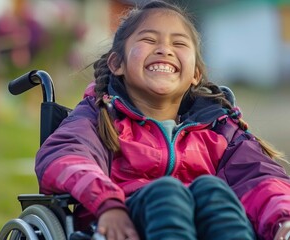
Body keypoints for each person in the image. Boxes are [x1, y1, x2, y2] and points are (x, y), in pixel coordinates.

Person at [35, 1, 290, 239]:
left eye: (179, 44)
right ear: (117, 63)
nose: (164, 49)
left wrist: (284, 220)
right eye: (148, 39)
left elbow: (262, 179)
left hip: (203, 225)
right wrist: (108, 204)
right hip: (121, 220)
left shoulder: (221, 131)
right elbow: (65, 156)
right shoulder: (98, 118)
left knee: (213, 191)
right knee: (167, 191)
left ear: (196, 74)